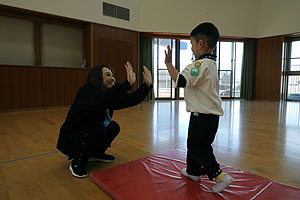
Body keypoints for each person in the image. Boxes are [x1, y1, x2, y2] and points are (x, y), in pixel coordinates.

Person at [164, 22, 233, 193]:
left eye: (192, 44)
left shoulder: (199, 65)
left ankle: (219, 176)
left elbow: (182, 81)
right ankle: (193, 171)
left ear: (201, 44)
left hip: (202, 116)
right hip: (210, 117)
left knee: (198, 147)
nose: (192, 49)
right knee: (195, 144)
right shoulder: (212, 65)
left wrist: (168, 64)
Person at [57, 62, 152, 178]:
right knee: (100, 130)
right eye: (108, 75)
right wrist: (126, 84)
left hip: (89, 132)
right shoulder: (86, 92)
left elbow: (130, 99)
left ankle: (96, 153)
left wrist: (146, 86)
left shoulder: (108, 95)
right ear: (97, 77)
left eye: (113, 75)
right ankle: (78, 161)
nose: (112, 78)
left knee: (113, 127)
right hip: (72, 138)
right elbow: (100, 101)